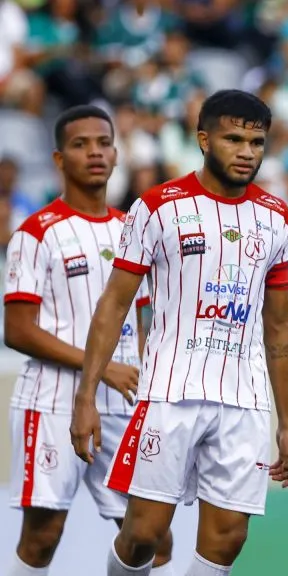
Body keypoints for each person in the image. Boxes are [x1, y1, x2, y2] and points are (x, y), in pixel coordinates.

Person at [68, 90, 288, 576]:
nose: (246, 152)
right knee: (144, 538)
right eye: (233, 139)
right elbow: (114, 304)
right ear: (203, 139)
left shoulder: (276, 216)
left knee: (228, 538)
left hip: (245, 399)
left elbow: (279, 323)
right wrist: (86, 396)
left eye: (257, 142)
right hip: (169, 393)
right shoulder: (157, 207)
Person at [2, 105, 177, 576]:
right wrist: (101, 368)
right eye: (81, 145)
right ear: (59, 160)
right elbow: (16, 329)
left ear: (117, 154)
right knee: (42, 537)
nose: (95, 153)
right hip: (53, 401)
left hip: (122, 403)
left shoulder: (133, 230)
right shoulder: (36, 234)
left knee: (153, 538)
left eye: (103, 142)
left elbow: (145, 321)